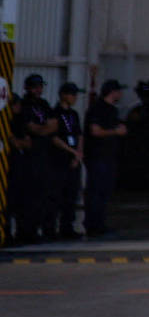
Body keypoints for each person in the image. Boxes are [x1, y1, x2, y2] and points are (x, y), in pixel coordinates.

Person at [10, 74, 57, 245]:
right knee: (27, 196)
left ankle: (35, 229)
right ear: (27, 88)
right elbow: (32, 128)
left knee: (42, 195)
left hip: (44, 154)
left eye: (40, 86)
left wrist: (43, 129)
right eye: (35, 86)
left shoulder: (43, 104)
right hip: (30, 157)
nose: (38, 89)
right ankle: (24, 231)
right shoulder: (25, 106)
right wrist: (44, 129)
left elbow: (54, 125)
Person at [83, 80, 125, 239]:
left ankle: (100, 223)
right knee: (96, 191)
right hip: (97, 156)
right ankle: (92, 225)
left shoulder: (113, 110)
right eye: (118, 91)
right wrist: (115, 132)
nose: (120, 94)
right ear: (112, 92)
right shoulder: (98, 109)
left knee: (104, 191)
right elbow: (95, 131)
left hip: (108, 156)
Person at [48, 83, 86, 240]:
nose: (75, 98)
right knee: (56, 195)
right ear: (64, 95)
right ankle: (50, 228)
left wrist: (78, 154)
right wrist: (71, 151)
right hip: (60, 159)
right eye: (72, 94)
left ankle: (67, 227)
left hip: (73, 158)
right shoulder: (55, 113)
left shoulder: (73, 114)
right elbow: (54, 137)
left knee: (71, 194)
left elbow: (79, 134)